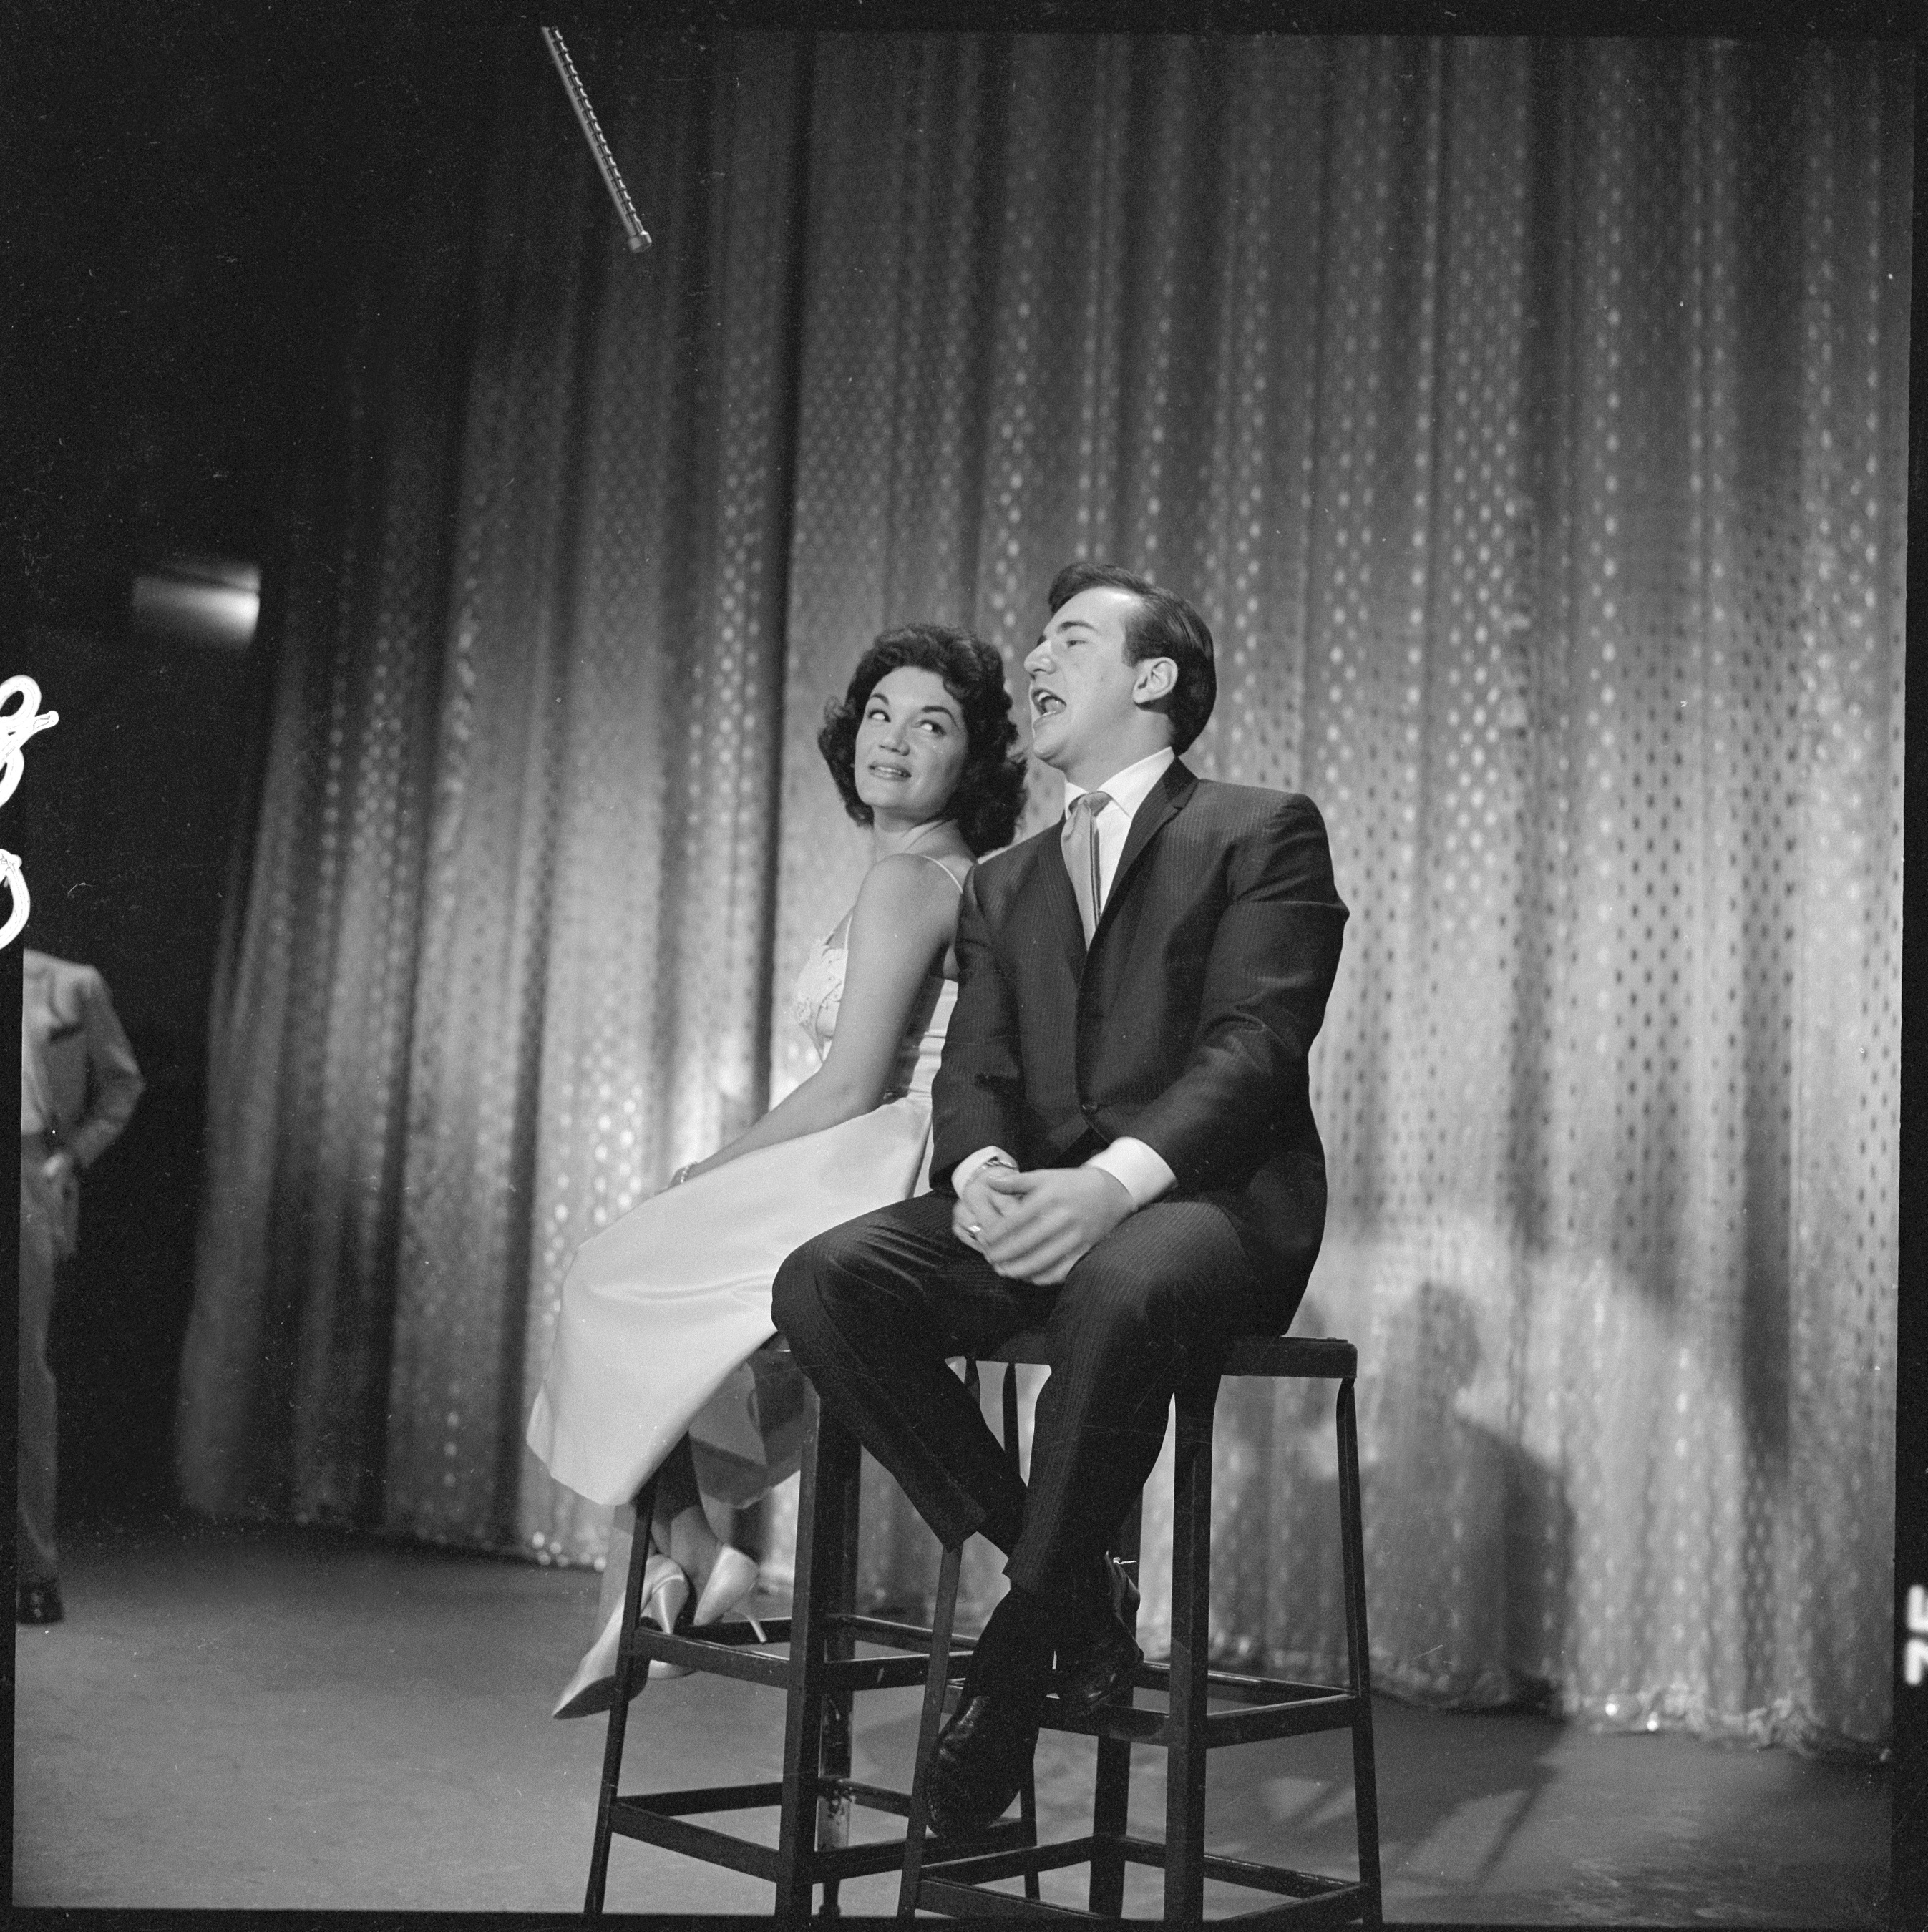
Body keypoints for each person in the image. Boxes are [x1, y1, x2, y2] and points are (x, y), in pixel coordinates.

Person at [773, 562, 1348, 1838]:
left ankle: (1012, 1654)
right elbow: (972, 1070)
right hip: (1038, 1203)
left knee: (1121, 1278)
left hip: (1205, 1210)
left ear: (1150, 682)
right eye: (1035, 639)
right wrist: (977, 1171)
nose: (1031, 658)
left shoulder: (1260, 828)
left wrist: (1107, 1186)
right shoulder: (1004, 879)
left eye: (1069, 640)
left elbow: (1253, 1049)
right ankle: (1076, 1592)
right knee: (825, 1279)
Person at [527, 624, 1025, 1717]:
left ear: (973, 762)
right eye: (881, 716)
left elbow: (851, 1083)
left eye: (931, 724)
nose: (894, 739)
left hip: (881, 1157)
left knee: (612, 1272)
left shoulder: (913, 879)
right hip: (876, 1155)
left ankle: (687, 1556)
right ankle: (685, 1555)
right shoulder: (924, 872)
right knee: (627, 1280)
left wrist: (710, 1169)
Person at [19, 947, 145, 1624]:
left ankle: (33, 1571)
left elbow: (122, 1082)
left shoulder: (70, 984)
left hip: (28, 1171)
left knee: (22, 1378)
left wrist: (70, 1159)